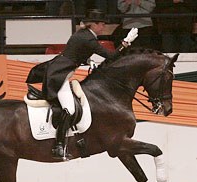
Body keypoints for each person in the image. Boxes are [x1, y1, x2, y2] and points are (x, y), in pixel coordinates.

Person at [26, 10, 138, 160]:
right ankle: (58, 146)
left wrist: (88, 61)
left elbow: (75, 53)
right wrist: (125, 43)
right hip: (59, 75)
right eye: (102, 24)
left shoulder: (84, 35)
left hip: (61, 70)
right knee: (70, 108)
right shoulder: (88, 39)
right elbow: (111, 56)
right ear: (95, 24)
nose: (104, 26)